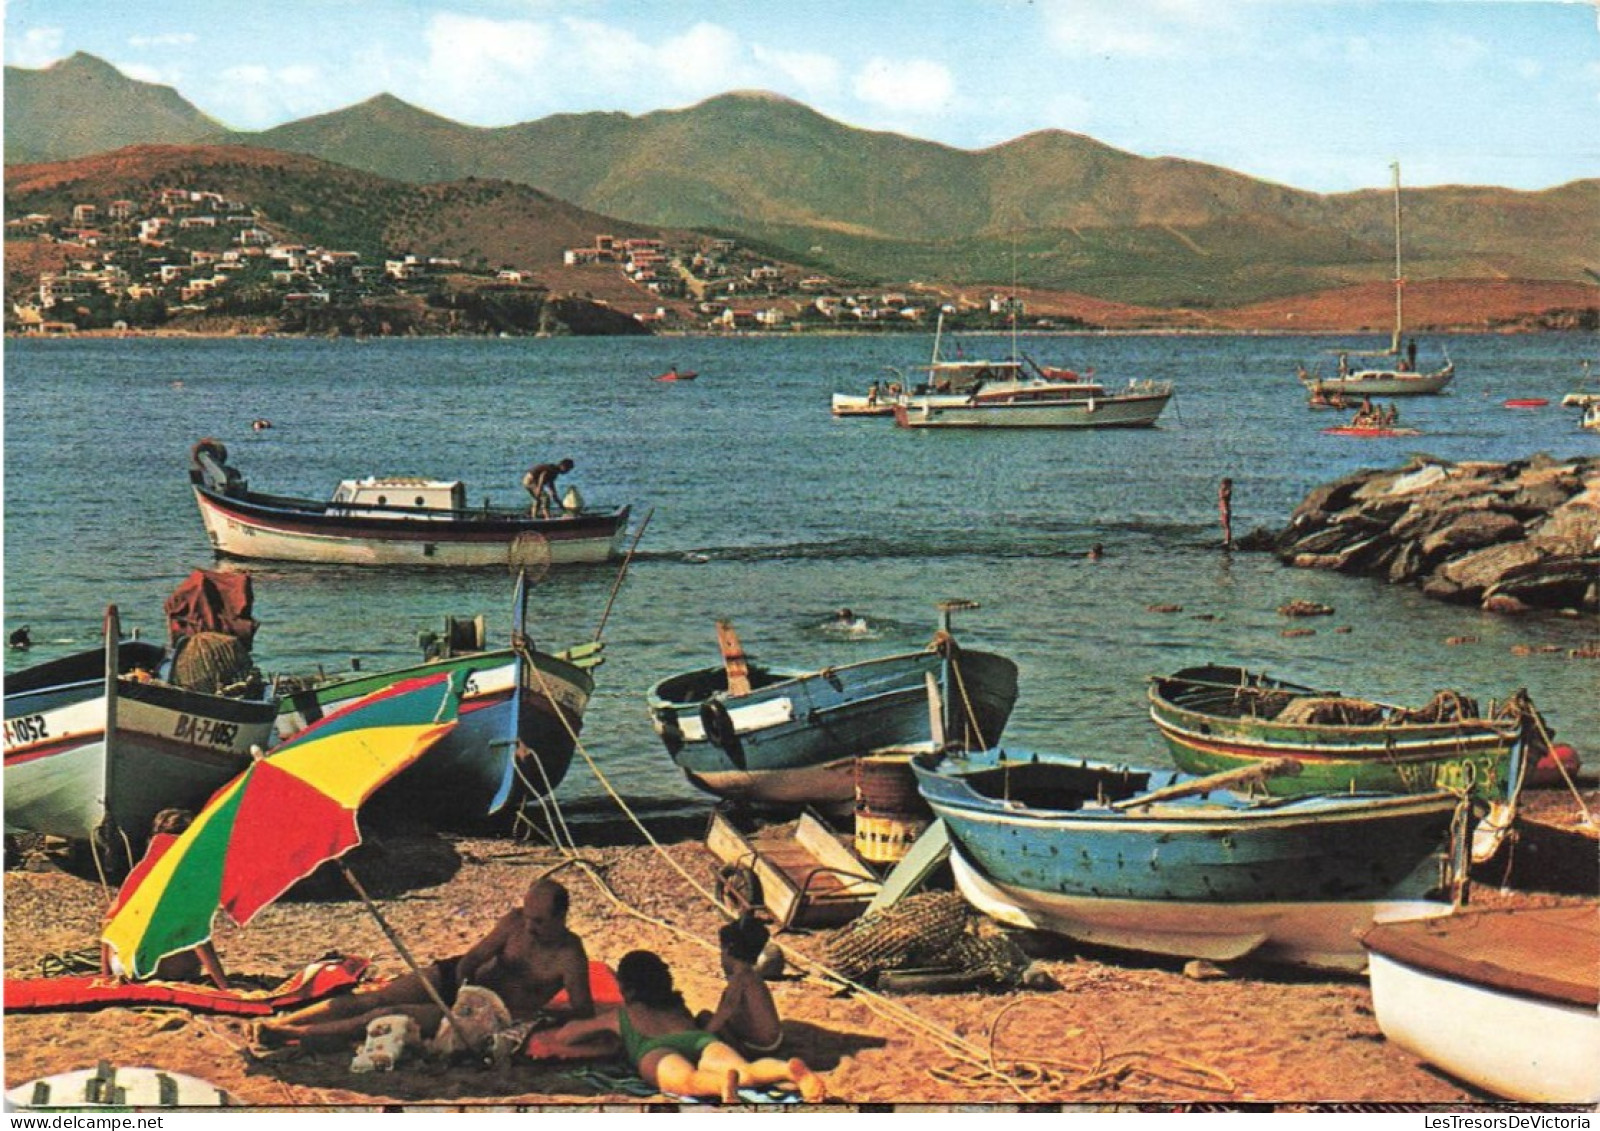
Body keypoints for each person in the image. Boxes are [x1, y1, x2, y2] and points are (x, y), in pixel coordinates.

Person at [258, 878, 593, 1051]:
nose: (531, 928)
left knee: (379, 1017)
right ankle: (287, 1020)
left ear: (561, 917)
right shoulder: (515, 921)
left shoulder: (570, 957)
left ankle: (289, 1033)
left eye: (539, 921)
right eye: (529, 917)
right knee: (375, 998)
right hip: (460, 979)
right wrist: (462, 984)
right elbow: (475, 957)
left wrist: (537, 1017)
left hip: (484, 1012)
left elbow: (582, 1012)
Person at [540, 950, 824, 1104]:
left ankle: (720, 1084)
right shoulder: (678, 1006)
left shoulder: (621, 1014)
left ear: (626, 987)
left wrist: (583, 1027)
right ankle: (787, 1071)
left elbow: (569, 1034)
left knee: (689, 1081)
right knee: (748, 1072)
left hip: (656, 1050)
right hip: (699, 1039)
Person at [102, 809, 229, 989]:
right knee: (191, 942)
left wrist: (106, 976)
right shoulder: (184, 876)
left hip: (121, 966)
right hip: (157, 971)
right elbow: (197, 937)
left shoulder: (143, 870)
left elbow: (108, 921)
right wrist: (225, 986)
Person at [696, 914, 784, 1058]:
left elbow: (725, 1011)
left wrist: (701, 1037)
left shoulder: (740, 979)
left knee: (704, 1017)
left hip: (760, 1048)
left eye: (721, 951)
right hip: (775, 1040)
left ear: (729, 950)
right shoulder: (752, 975)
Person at [1217, 478, 1234, 550]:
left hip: (1225, 508)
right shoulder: (1222, 490)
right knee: (1224, 524)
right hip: (1223, 508)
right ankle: (1226, 539)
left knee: (1227, 525)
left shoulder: (1227, 491)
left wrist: (1225, 510)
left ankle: (1227, 540)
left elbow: (1224, 499)